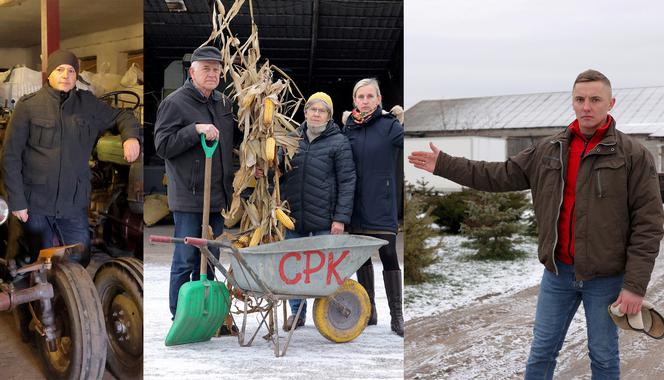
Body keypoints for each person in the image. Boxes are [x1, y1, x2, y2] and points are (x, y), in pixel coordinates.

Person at [408, 69, 664, 378]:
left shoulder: (633, 155)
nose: (587, 106)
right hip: (558, 274)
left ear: (611, 103)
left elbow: (648, 224)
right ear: (572, 102)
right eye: (580, 99)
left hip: (606, 278)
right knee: (542, 352)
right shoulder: (549, 149)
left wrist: (634, 286)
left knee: (604, 356)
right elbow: (498, 173)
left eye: (595, 99)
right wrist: (445, 165)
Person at [2, 49, 140, 263]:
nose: (66, 75)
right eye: (60, 70)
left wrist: (131, 137)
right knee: (38, 262)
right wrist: (18, 201)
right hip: (36, 202)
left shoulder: (88, 105)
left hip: (73, 203)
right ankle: (37, 295)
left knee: (79, 258)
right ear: (49, 74)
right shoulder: (28, 107)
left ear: (76, 76)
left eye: (71, 71)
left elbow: (123, 115)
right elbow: (10, 156)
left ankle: (69, 296)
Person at [153, 46, 234, 323]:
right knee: (186, 259)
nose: (212, 74)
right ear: (192, 72)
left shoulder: (223, 103)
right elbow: (162, 146)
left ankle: (205, 311)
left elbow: (227, 145)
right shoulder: (175, 103)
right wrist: (194, 130)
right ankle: (179, 315)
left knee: (211, 258)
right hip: (189, 197)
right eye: (206, 69)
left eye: (216, 69)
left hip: (217, 196)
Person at [279, 92, 356, 330]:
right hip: (293, 216)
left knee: (324, 270)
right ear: (305, 112)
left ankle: (330, 311)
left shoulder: (338, 142)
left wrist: (340, 219)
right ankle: (297, 313)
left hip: (325, 218)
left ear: (329, 116)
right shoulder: (292, 138)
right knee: (293, 268)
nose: (316, 113)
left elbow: (347, 181)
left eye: (321, 110)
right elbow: (278, 171)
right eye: (312, 109)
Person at [343, 78, 404, 337]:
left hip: (382, 202)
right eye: (361, 97)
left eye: (370, 96)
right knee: (362, 258)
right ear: (355, 100)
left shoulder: (390, 126)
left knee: (389, 256)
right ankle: (369, 311)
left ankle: (397, 316)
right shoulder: (348, 128)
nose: (365, 101)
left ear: (379, 99)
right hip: (356, 204)